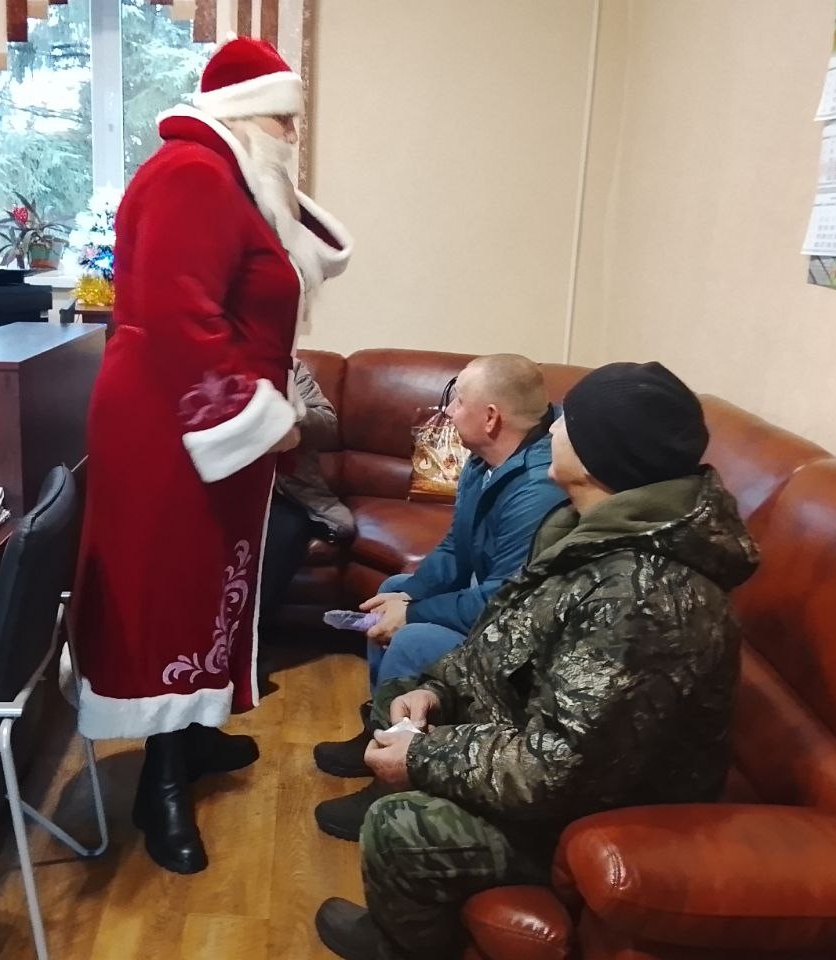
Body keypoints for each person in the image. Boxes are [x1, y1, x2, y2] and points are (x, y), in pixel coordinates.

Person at [313, 361, 760, 960]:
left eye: (568, 422)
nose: (550, 428)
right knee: (414, 687)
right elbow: (507, 639)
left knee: (402, 825)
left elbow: (561, 769)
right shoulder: (584, 531)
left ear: (601, 455)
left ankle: (398, 945)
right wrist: (437, 691)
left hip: (599, 810)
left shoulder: (639, 598)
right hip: (542, 749)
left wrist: (423, 756)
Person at [69, 37, 353, 875]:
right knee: (172, 592)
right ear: (242, 113)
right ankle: (160, 782)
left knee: (210, 588)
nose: (292, 136)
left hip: (204, 430)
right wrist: (264, 417)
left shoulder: (230, 179)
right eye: (283, 119)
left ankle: (191, 735)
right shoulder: (190, 176)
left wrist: (266, 417)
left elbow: (287, 267)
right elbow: (177, 320)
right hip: (172, 430)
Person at [312, 355, 567, 840]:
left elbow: (505, 601)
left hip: (519, 639)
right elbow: (455, 548)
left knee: (412, 640)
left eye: (457, 400)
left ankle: (394, 782)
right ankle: (381, 729)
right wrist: (407, 597)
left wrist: (413, 615)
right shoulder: (485, 459)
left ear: (491, 417)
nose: (447, 410)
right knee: (391, 591)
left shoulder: (537, 489)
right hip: (495, 605)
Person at [260, 357, 355, 619]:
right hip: (224, 491)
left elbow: (328, 425)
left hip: (285, 494)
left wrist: (287, 412)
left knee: (286, 530)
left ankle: (256, 631)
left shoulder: (290, 368)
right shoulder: (209, 365)